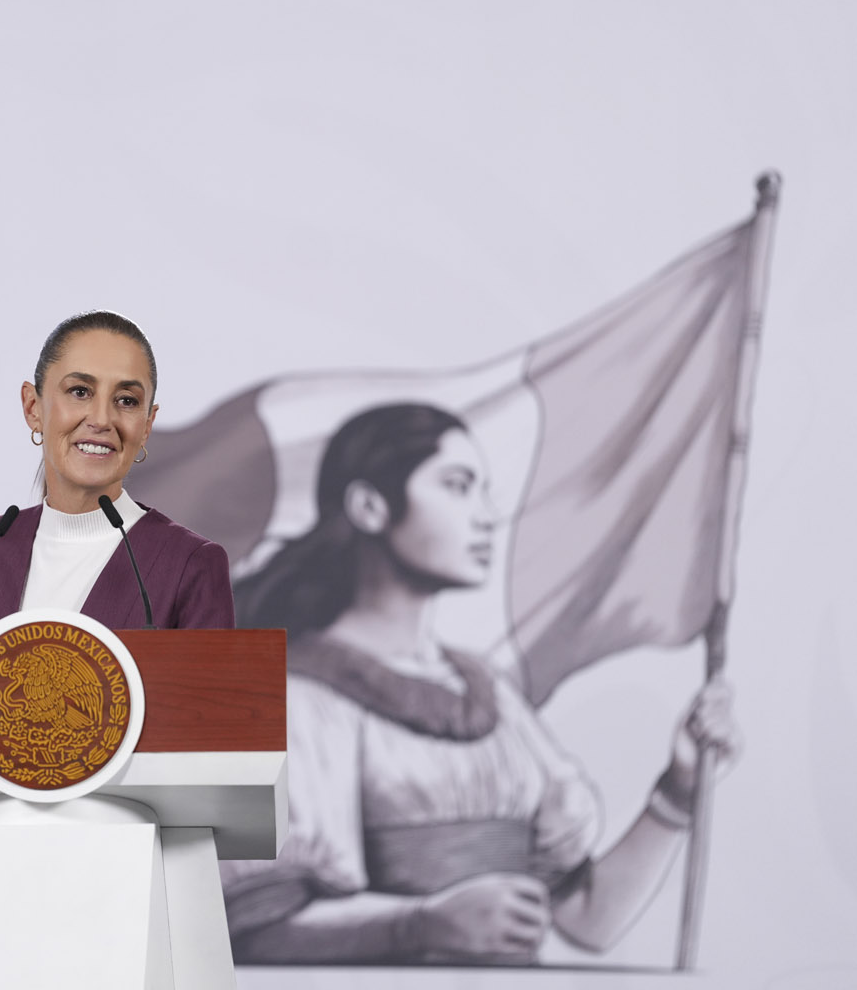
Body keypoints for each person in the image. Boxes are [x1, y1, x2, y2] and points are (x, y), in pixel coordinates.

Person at [221, 403, 740, 965]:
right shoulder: (295, 697)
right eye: (458, 486)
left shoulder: (488, 693)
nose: (488, 515)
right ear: (370, 506)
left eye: (484, 490)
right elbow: (252, 930)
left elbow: (588, 921)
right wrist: (420, 925)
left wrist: (679, 791)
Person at [0, 311, 235, 632]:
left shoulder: (191, 564)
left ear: (147, 426)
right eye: (80, 392)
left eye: (127, 400)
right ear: (33, 407)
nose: (102, 419)